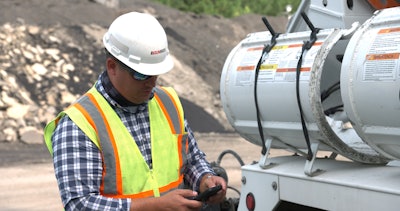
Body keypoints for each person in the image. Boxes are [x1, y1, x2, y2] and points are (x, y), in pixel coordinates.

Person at [44, 11, 227, 210]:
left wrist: (205, 178)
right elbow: (80, 204)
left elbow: (191, 160)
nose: (152, 82)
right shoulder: (79, 124)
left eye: (155, 73)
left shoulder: (169, 103)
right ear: (112, 66)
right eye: (141, 75)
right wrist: (155, 206)